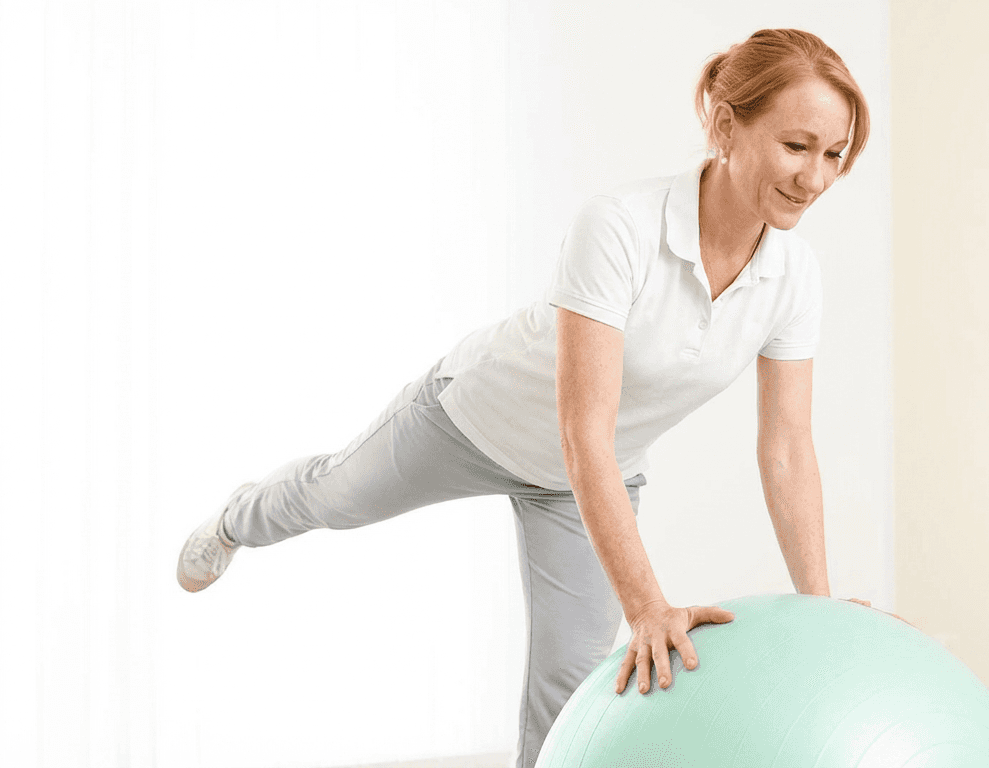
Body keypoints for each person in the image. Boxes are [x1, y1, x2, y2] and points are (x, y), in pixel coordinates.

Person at [177, 27, 893, 768]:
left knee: (572, 684)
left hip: (586, 483)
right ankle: (236, 519)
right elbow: (582, 425)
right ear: (724, 126)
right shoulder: (620, 225)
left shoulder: (795, 276)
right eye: (796, 146)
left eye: (835, 154)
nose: (815, 178)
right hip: (472, 422)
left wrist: (819, 609)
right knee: (336, 499)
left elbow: (785, 445)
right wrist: (648, 605)